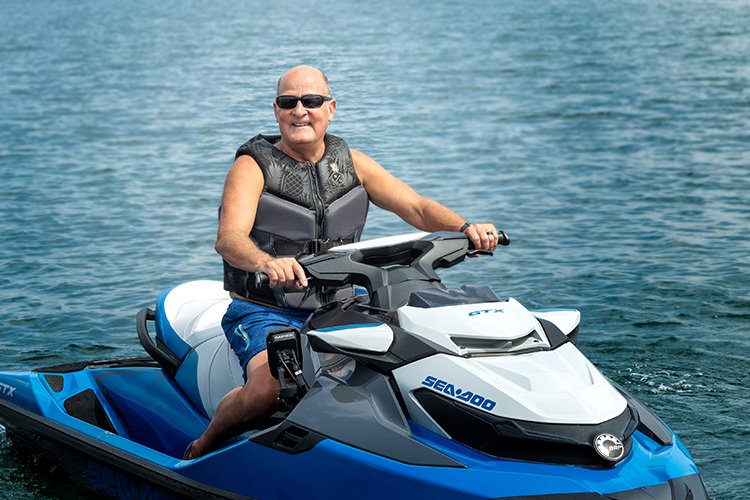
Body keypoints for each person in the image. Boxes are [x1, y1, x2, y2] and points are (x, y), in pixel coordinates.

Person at [185, 65, 500, 459]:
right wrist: (268, 263)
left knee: (410, 358)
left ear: (330, 108)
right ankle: (204, 446)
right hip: (265, 311)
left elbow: (417, 208)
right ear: (276, 110)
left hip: (341, 308)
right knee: (269, 389)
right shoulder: (252, 167)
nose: (300, 110)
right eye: (289, 102)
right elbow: (229, 239)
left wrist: (466, 228)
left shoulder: (352, 163)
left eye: (311, 101)